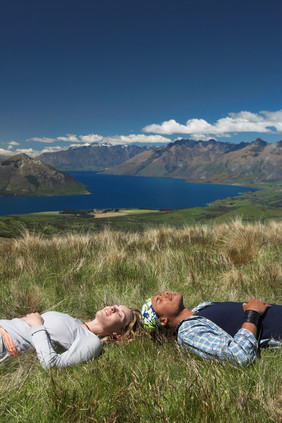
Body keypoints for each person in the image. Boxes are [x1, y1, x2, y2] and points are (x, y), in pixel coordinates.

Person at [141, 292, 282, 366]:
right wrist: (252, 314)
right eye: (159, 300)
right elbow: (238, 356)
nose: (165, 293)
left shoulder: (200, 308)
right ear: (163, 320)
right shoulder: (188, 333)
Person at [0, 305, 140, 369]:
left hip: (6, 341)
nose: (113, 308)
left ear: (118, 333)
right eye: (116, 305)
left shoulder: (92, 342)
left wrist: (37, 326)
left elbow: (51, 364)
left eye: (120, 314)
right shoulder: (76, 322)